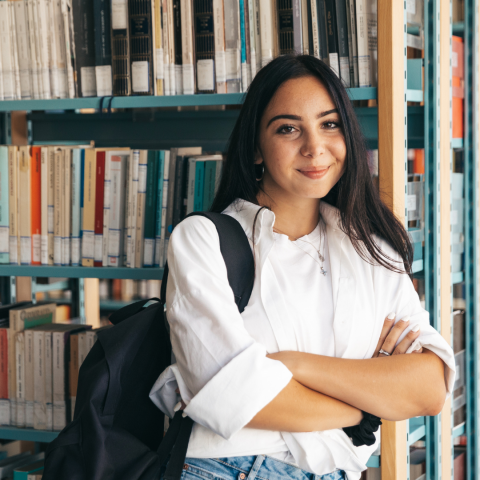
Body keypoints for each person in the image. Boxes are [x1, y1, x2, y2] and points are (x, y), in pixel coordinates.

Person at [149, 55, 455, 480]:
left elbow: (429, 388)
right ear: (256, 146)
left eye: (329, 124)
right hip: (225, 470)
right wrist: (364, 405)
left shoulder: (369, 247)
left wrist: (294, 365)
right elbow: (237, 397)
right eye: (288, 128)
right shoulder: (203, 240)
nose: (315, 147)